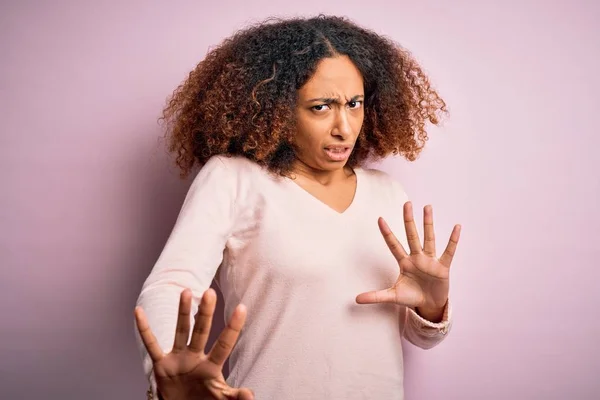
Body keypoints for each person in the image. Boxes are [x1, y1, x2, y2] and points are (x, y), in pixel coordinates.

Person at [134, 14, 461, 400]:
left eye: (354, 104)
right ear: (277, 110)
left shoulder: (387, 193)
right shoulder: (235, 180)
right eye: (322, 107)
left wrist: (432, 306)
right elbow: (171, 285)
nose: (345, 127)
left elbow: (417, 336)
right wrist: (169, 369)